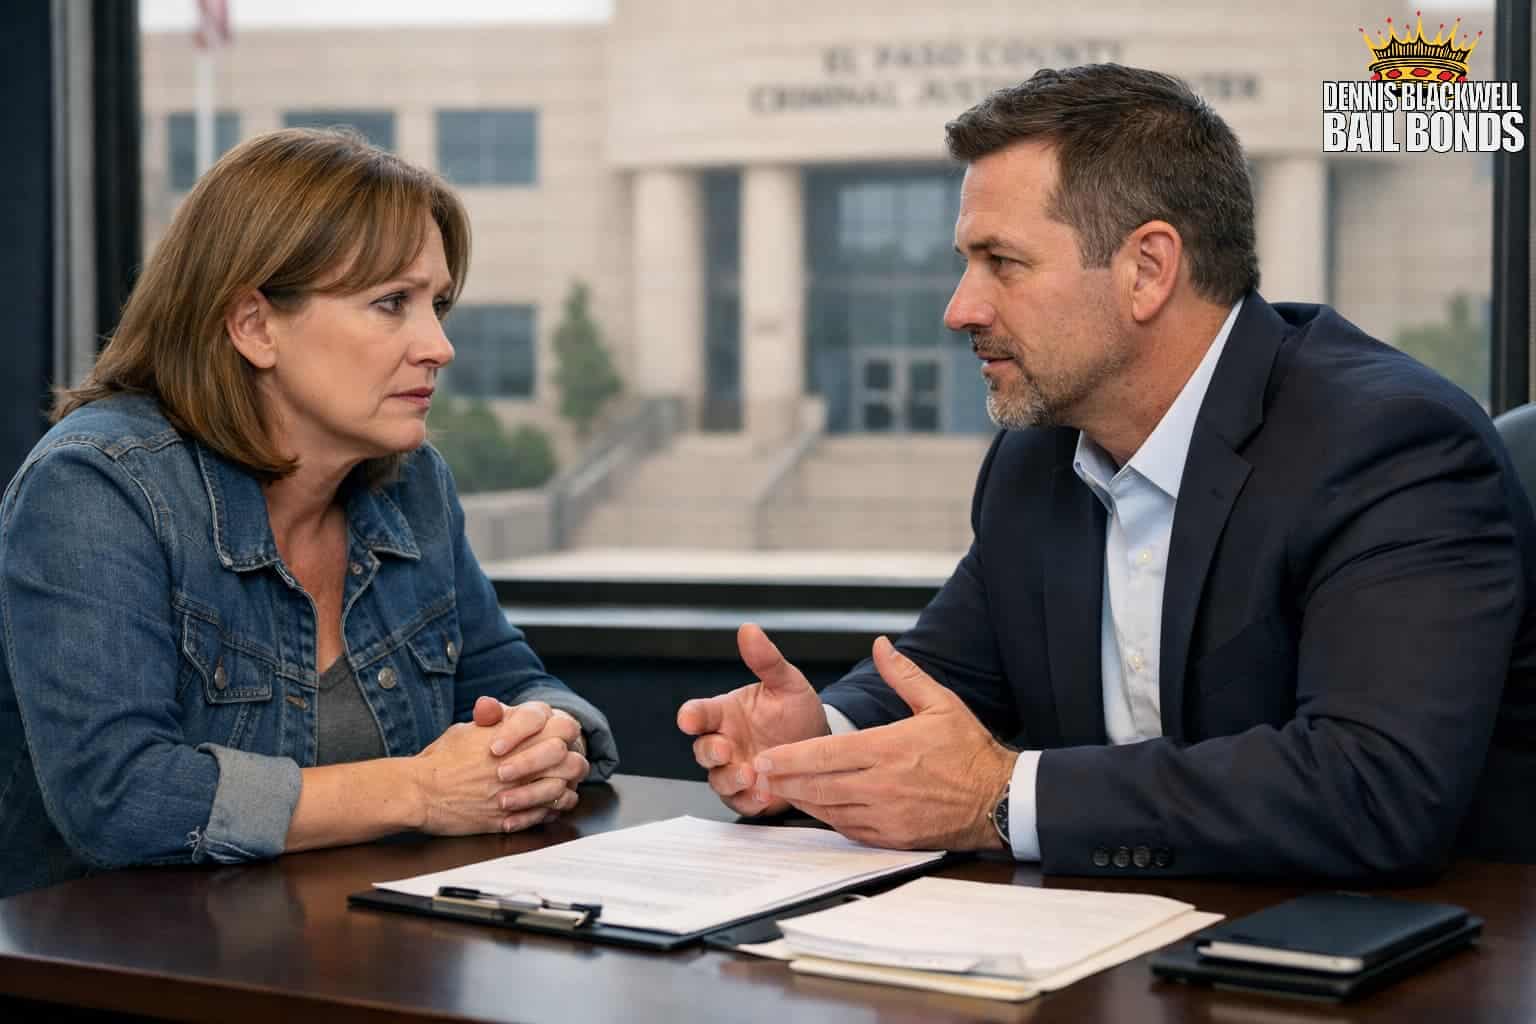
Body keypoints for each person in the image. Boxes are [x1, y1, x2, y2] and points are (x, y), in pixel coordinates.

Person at [679, 63, 1536, 878]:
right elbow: (946, 676)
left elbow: (1374, 789)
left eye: (1002, 263)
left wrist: (1001, 798)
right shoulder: (1036, 458)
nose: (959, 310)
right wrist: (812, 742)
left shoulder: (1389, 443)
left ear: (1148, 269)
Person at [0, 128, 618, 898]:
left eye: (439, 304)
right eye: (391, 303)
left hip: (367, 958)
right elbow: (119, 798)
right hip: (133, 975)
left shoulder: (413, 483)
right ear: (254, 325)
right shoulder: (96, 487)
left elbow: (513, 680)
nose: (439, 345)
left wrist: (545, 740)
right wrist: (422, 791)